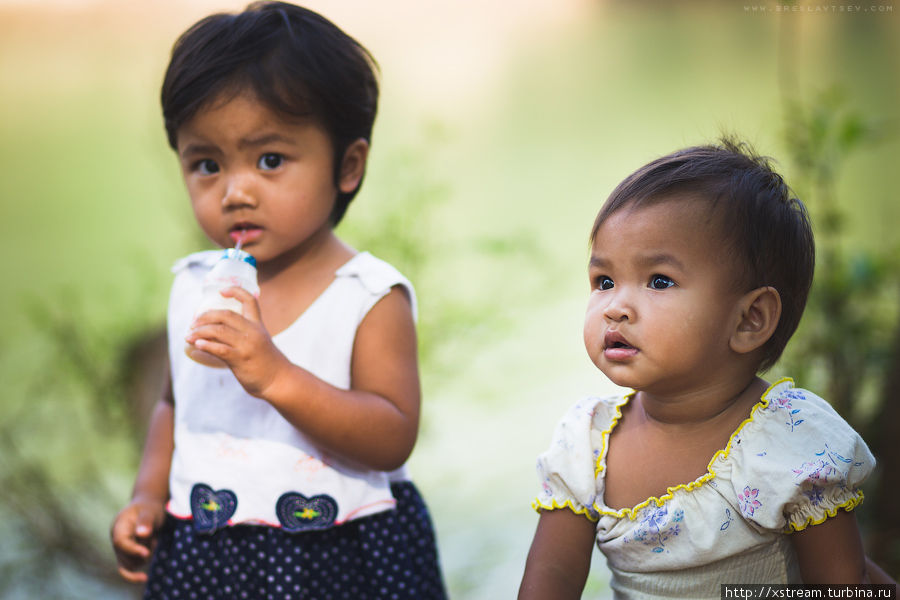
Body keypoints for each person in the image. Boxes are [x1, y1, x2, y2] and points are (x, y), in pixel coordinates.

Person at [109, 3, 447, 598]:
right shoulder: (193, 284)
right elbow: (172, 403)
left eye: (270, 160)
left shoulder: (367, 297)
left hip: (338, 550)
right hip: (204, 550)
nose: (236, 191)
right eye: (207, 164)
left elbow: (392, 433)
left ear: (347, 165)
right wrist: (146, 494)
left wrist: (275, 375)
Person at [518, 139, 896, 599]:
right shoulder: (587, 442)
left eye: (659, 281)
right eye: (604, 281)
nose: (615, 307)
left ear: (748, 319)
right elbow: (550, 580)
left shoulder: (790, 442)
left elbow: (842, 588)